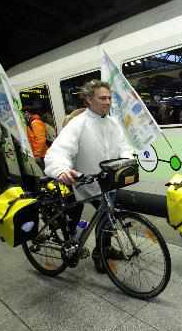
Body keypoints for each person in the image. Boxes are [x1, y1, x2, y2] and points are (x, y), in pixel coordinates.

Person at [44, 80, 134, 273]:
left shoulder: (113, 123)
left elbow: (124, 146)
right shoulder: (78, 124)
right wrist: (61, 169)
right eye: (103, 98)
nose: (108, 102)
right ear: (88, 100)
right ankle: (70, 246)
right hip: (81, 181)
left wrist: (127, 161)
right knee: (73, 219)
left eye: (109, 98)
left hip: (107, 182)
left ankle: (102, 251)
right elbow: (58, 152)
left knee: (106, 218)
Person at [24, 104, 48, 170]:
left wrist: (37, 154)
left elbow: (41, 139)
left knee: (47, 173)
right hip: (39, 153)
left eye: (24, 113)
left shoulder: (35, 122)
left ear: (27, 113)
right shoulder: (32, 122)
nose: (23, 116)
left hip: (41, 154)